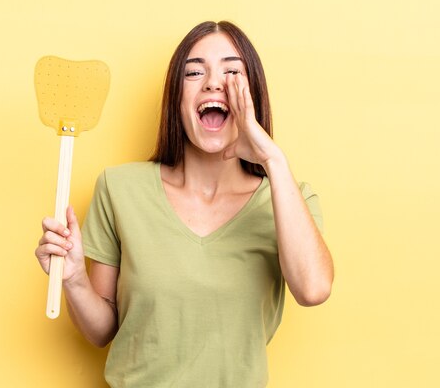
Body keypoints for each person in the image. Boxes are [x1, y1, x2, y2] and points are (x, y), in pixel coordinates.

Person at [35, 20, 334, 387]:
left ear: (253, 94)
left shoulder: (289, 200)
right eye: (194, 71)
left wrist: (273, 159)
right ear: (177, 98)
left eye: (232, 71)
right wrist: (76, 280)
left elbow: (314, 289)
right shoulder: (119, 188)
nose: (212, 82)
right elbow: (101, 331)